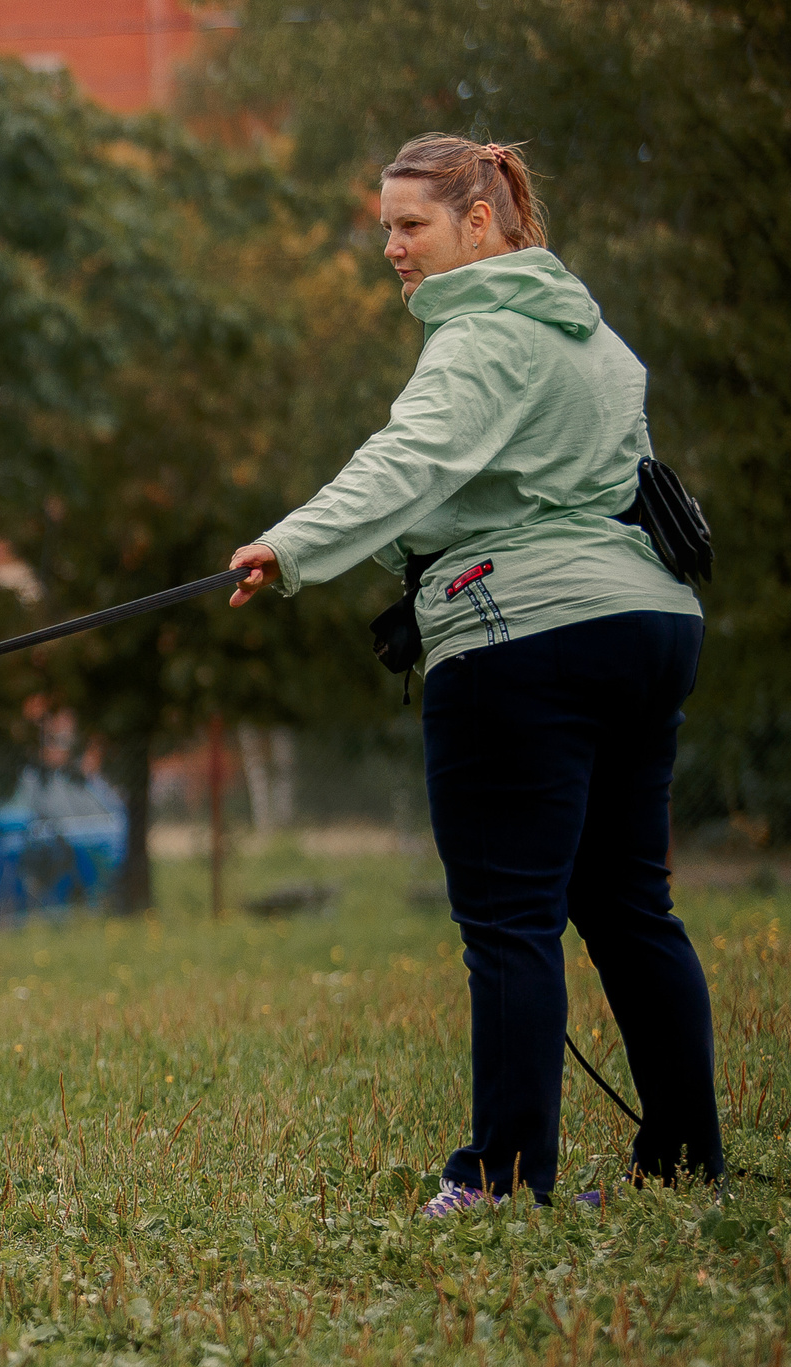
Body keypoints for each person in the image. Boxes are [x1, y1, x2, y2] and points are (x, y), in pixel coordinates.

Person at [228, 136, 720, 1214]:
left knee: (509, 919)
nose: (393, 249)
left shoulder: (480, 334)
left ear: (480, 224)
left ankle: (499, 1182)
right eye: (385, 229)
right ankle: (684, 1168)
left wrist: (291, 546)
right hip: (645, 623)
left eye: (411, 226)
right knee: (631, 905)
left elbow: (410, 460)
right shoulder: (590, 336)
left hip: (524, 639)